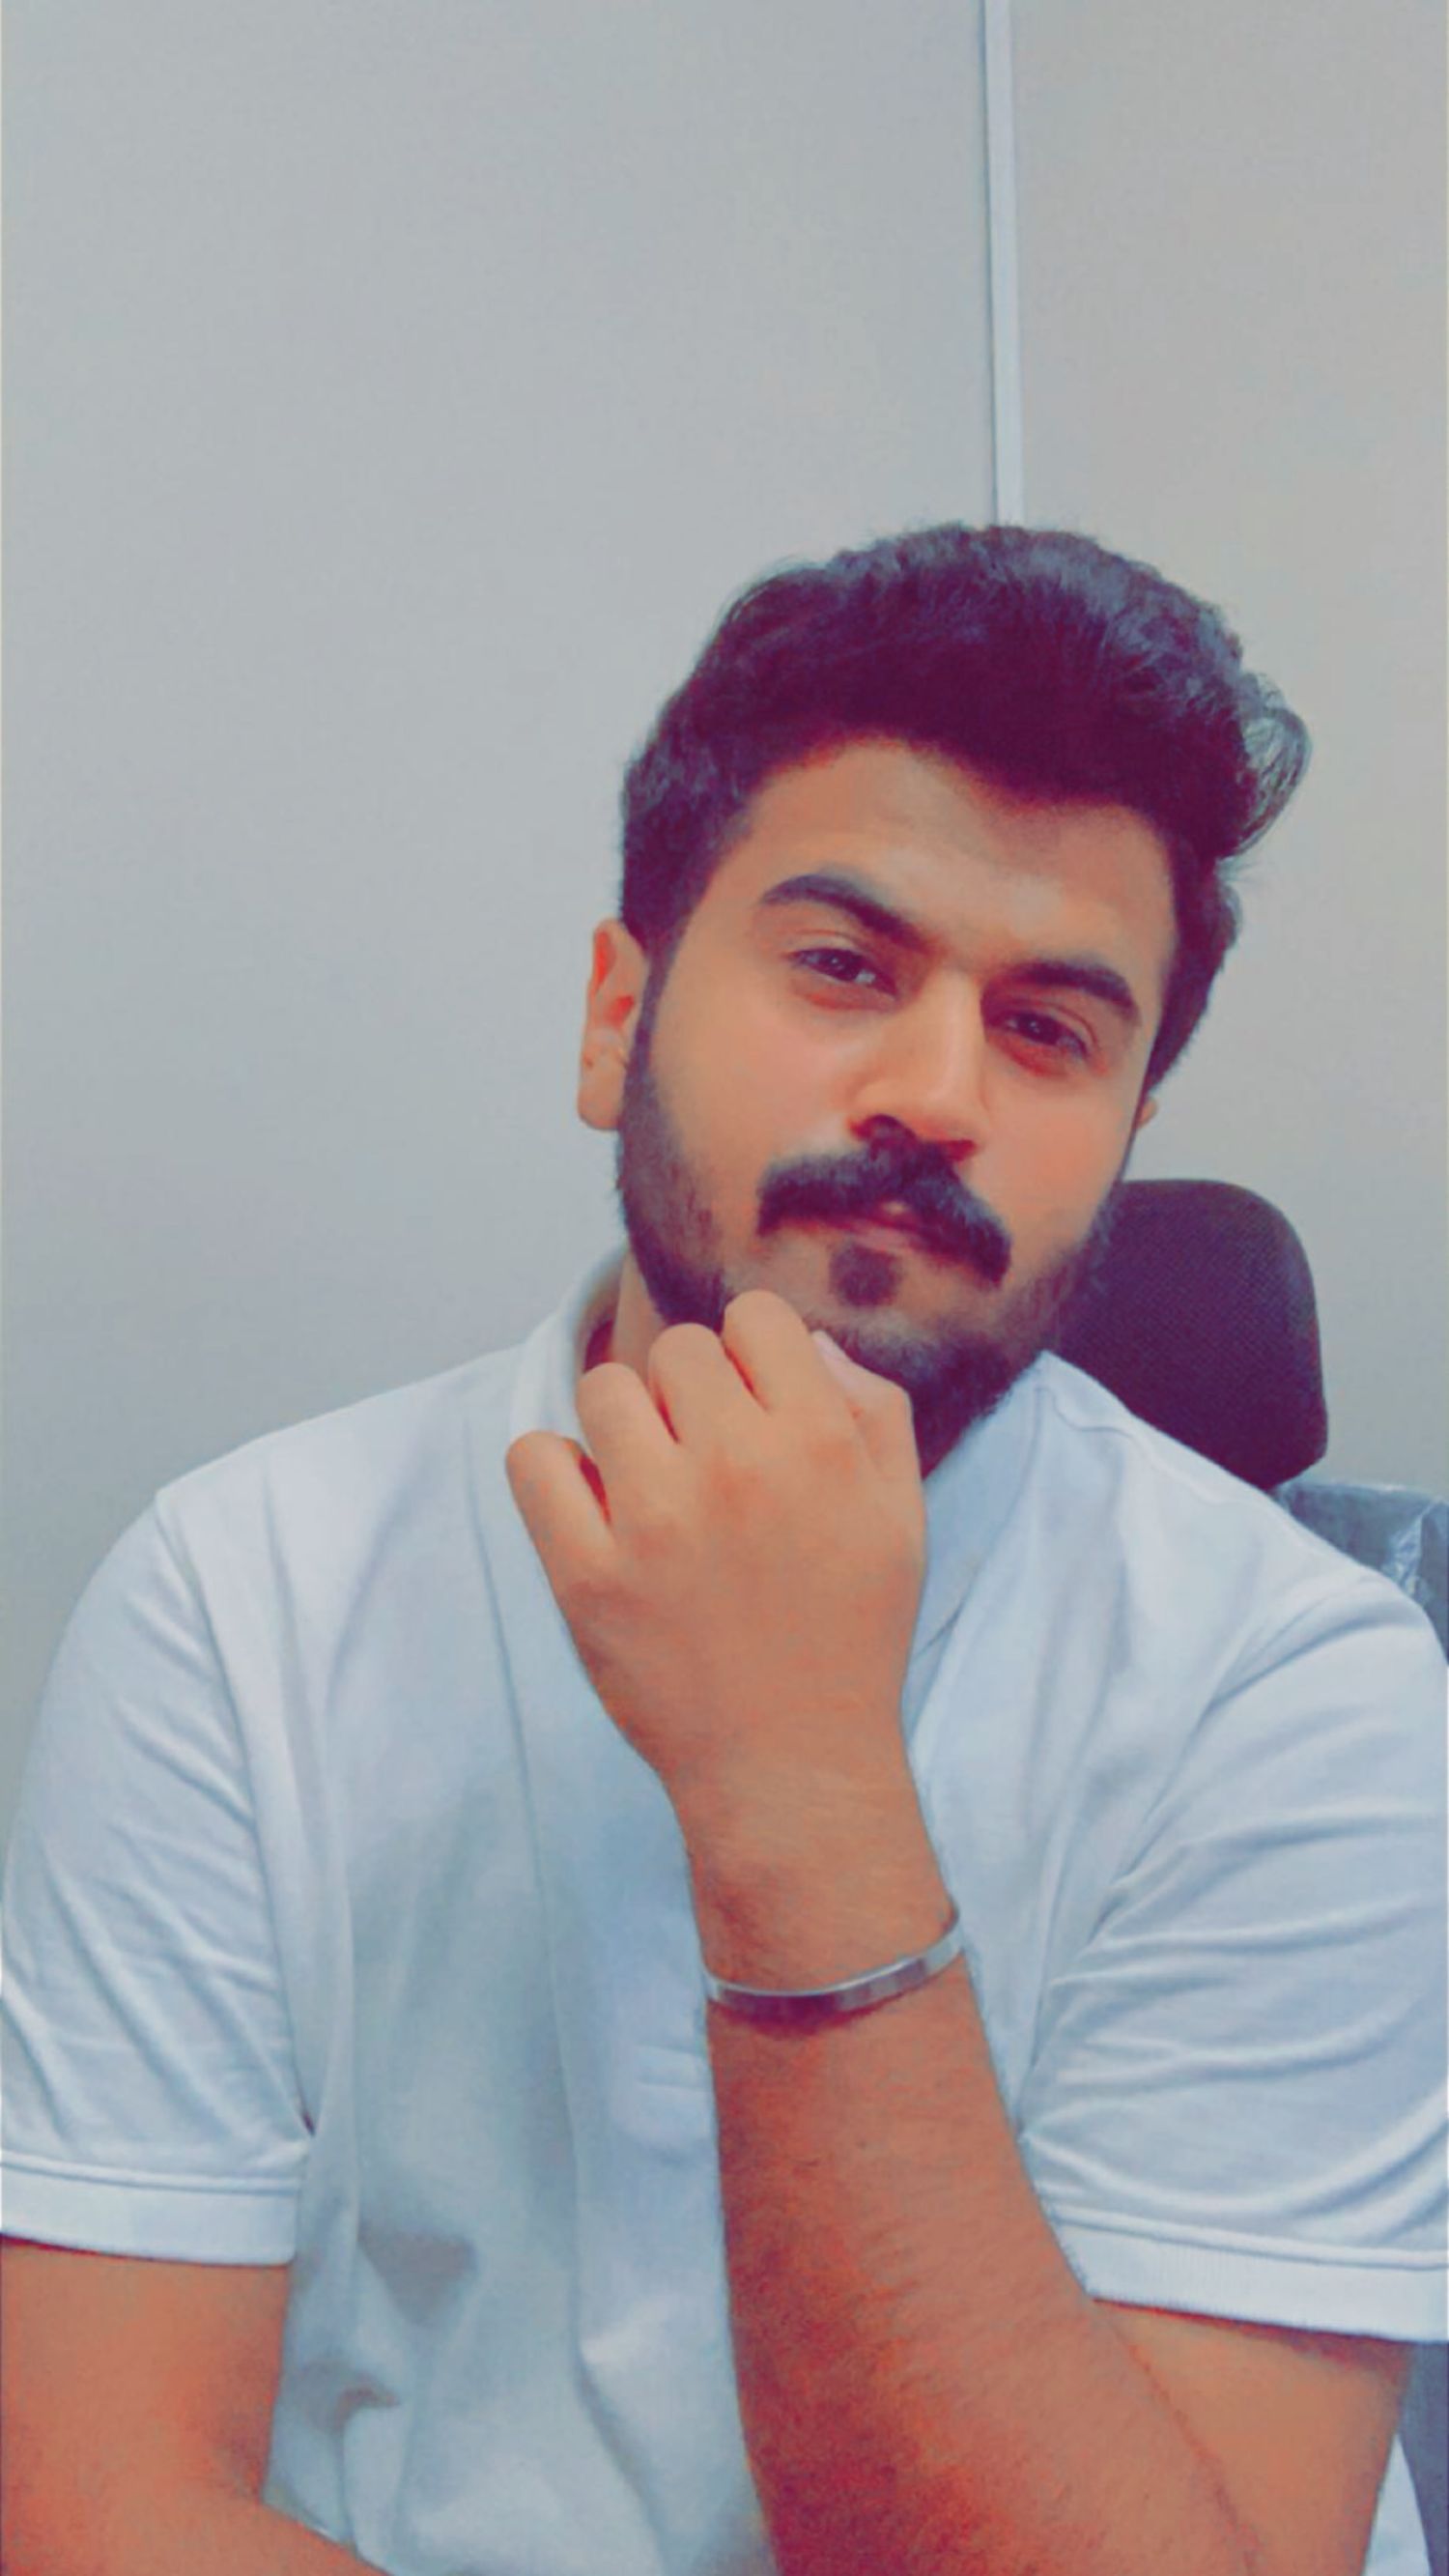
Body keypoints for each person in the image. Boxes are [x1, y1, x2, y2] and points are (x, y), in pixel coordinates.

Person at [2, 524, 1443, 2576]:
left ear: (1127, 1132)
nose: (936, 1094)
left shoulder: (1301, 1687)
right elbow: (100, 2504)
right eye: (844, 965)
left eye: (1052, 1030)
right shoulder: (242, 1599)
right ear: (620, 1017)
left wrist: (800, 1783)